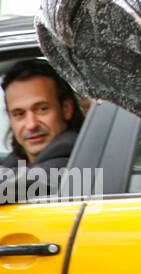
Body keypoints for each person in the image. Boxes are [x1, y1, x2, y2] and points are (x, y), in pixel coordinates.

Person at [1, 59, 84, 201]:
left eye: (42, 109)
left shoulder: (73, 162)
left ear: (66, 109)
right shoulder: (17, 163)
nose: (31, 125)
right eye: (19, 114)